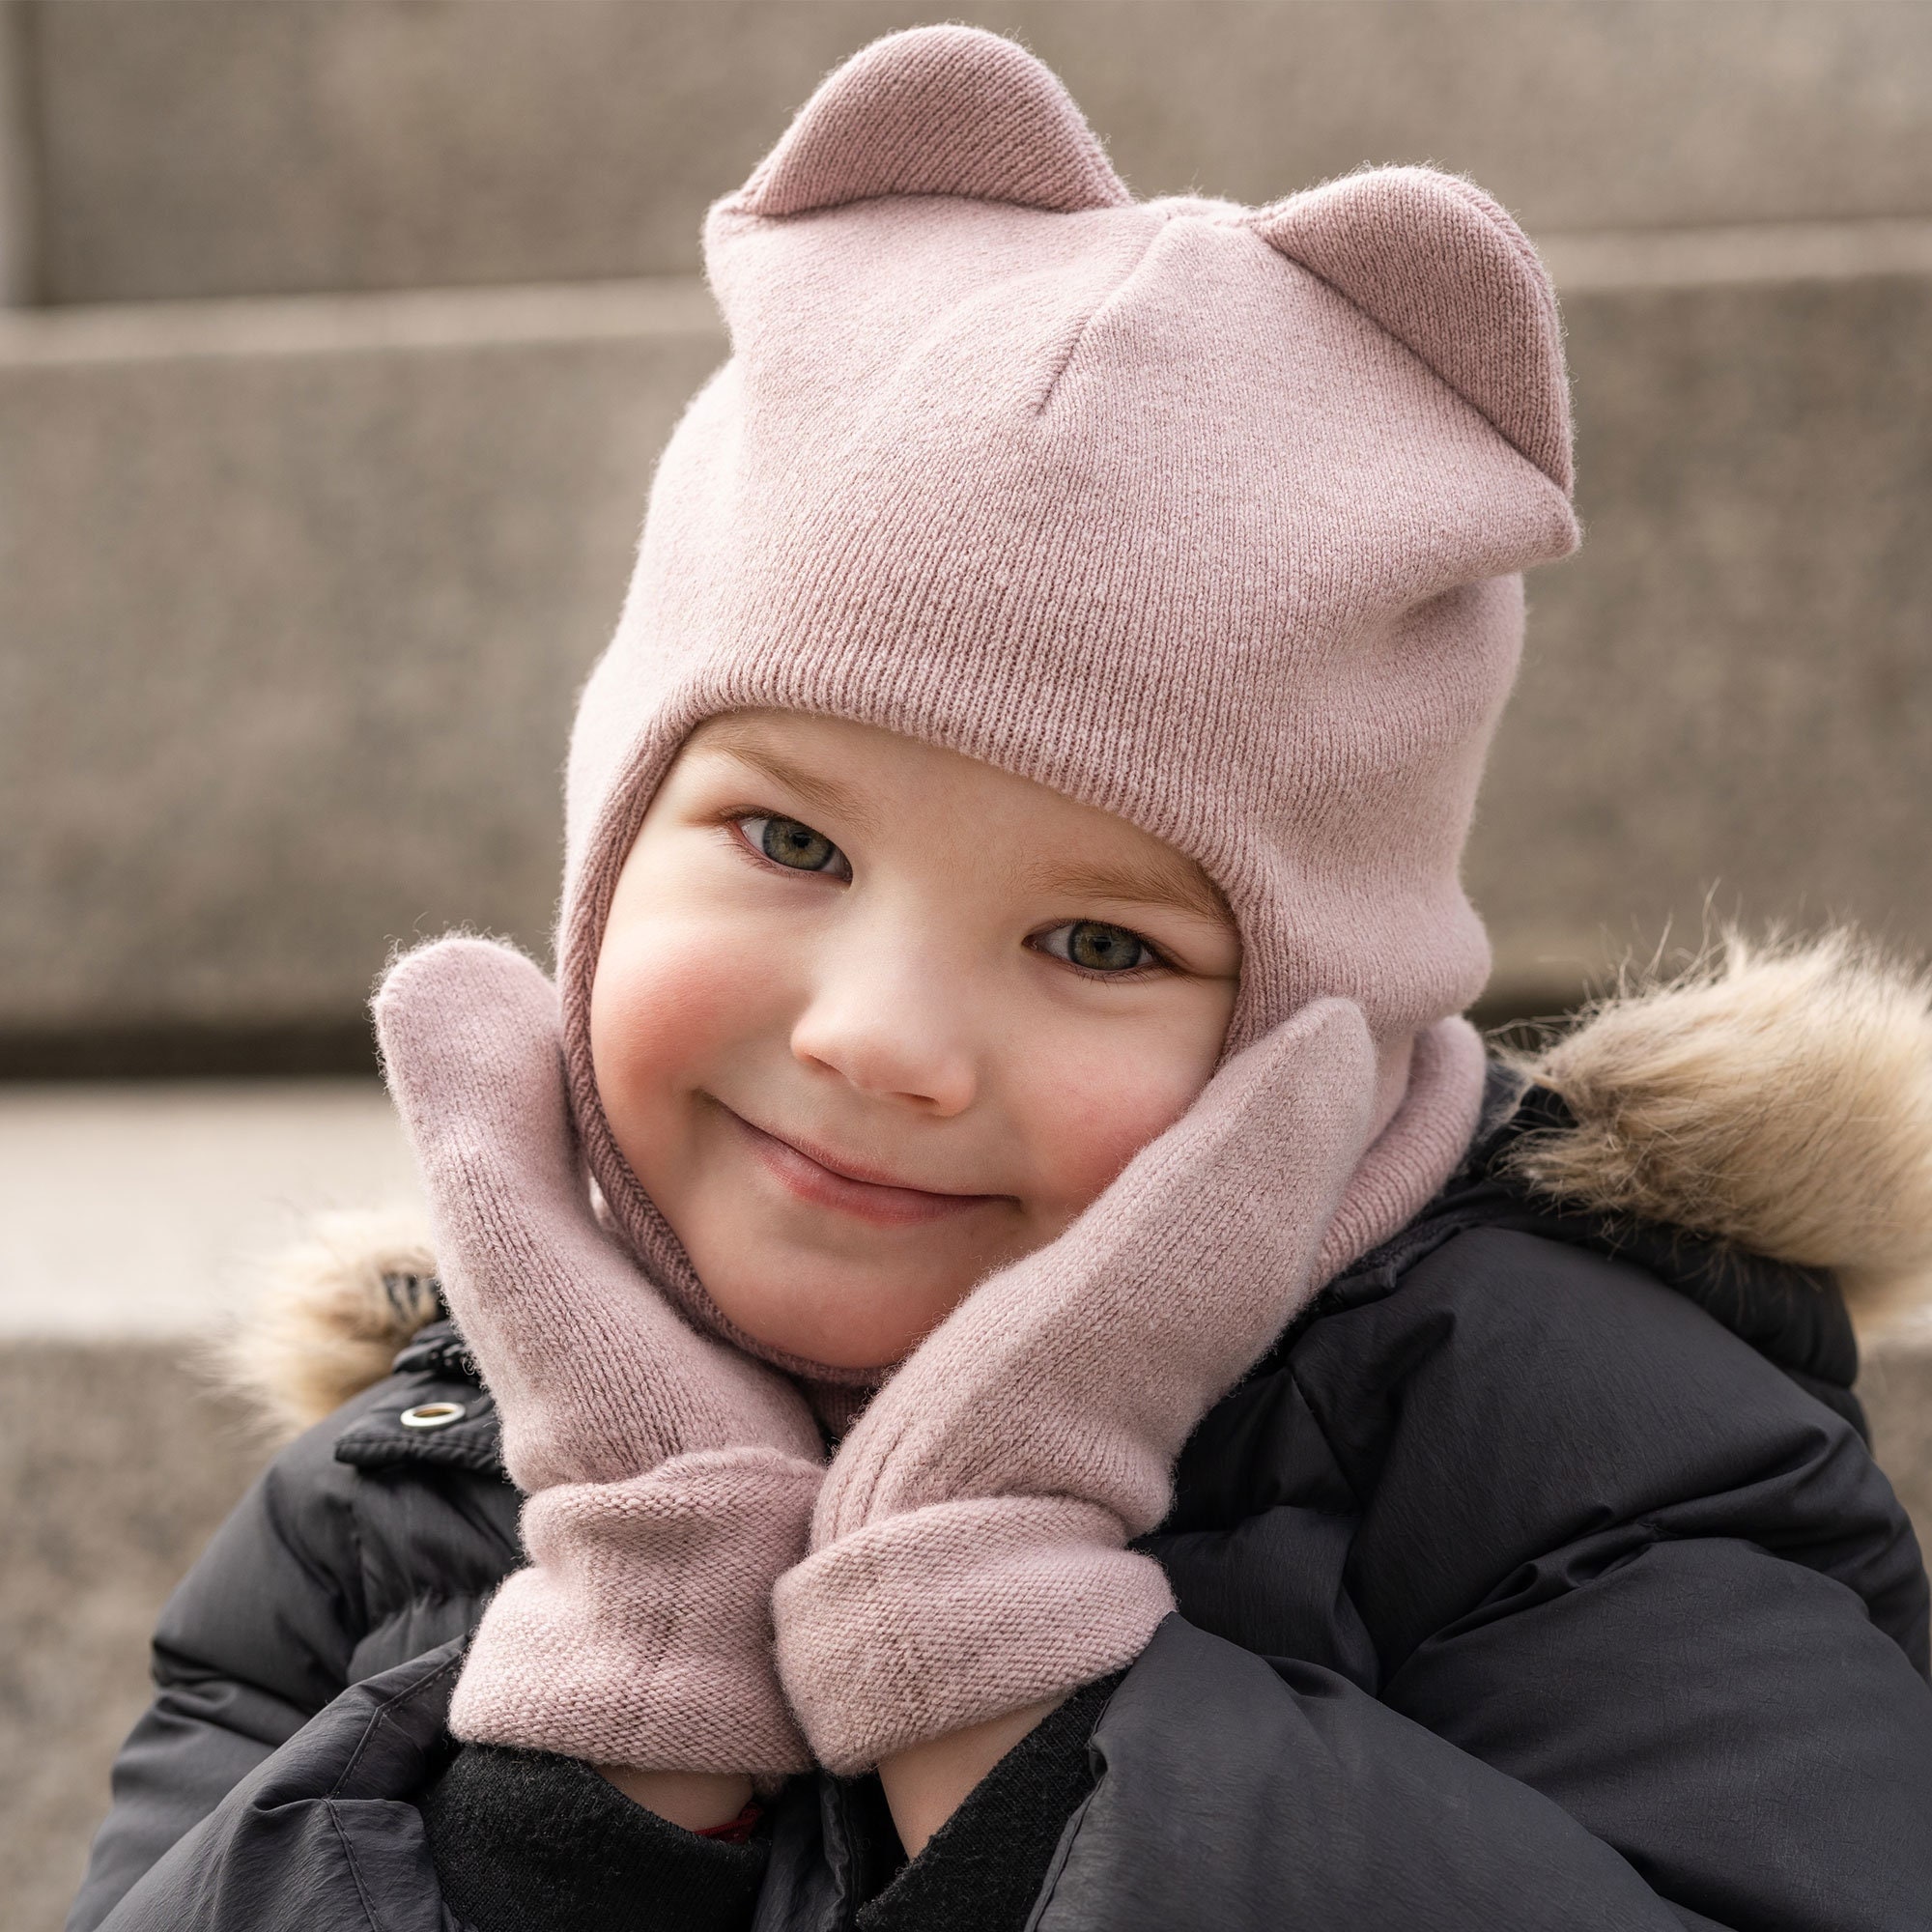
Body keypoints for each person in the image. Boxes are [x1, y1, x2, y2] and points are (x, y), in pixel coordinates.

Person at [68, 25, 1932, 1932]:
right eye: (790, 843)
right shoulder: (403, 1488)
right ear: (606, 851)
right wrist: (591, 1768)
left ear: (1322, 1025)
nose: (878, 1034)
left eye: (1101, 942)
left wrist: (1029, 1704)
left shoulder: (1572, 1445)